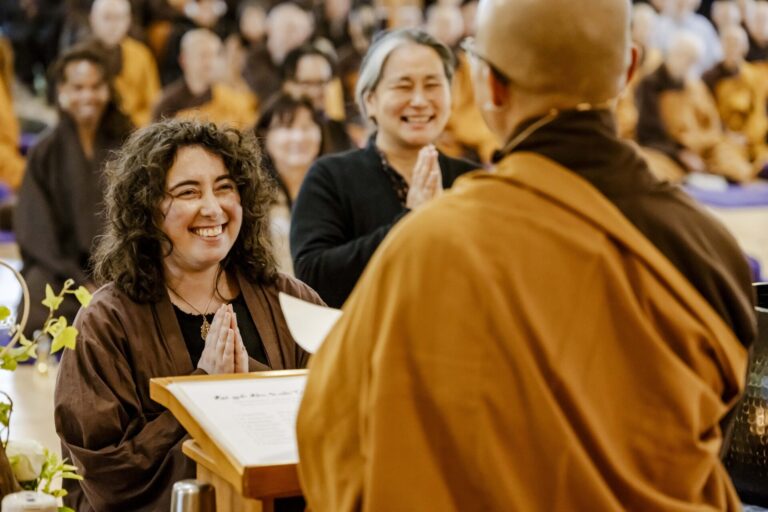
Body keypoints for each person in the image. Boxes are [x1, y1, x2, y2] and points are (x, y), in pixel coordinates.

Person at [296, 0, 755, 509]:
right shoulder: (713, 250)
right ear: (626, 68)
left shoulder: (433, 246)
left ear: (488, 86)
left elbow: (332, 441)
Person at [54, 119, 323, 511]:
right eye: (187, 192)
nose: (212, 208)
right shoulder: (105, 323)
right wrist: (202, 389)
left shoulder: (291, 300)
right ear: (147, 209)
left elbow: (335, 423)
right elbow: (104, 474)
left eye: (225, 188)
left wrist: (249, 386)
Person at [290, 28, 477, 308]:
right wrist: (409, 222)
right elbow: (313, 278)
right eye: (403, 85)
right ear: (370, 100)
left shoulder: (472, 181)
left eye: (432, 85)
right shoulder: (331, 176)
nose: (419, 100)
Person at [15, 42, 133, 335]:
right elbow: (36, 227)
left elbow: (140, 215)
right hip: (62, 271)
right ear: (62, 91)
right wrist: (80, 280)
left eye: (95, 86)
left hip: (119, 266)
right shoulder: (46, 150)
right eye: (78, 87)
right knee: (35, 307)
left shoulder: (128, 144)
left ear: (107, 89)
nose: (87, 96)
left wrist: (109, 273)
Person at [636, 31, 754, 181]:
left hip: (702, 146)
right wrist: (679, 154)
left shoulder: (695, 84)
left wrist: (721, 137)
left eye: (692, 60)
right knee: (653, 170)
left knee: (734, 162)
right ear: (671, 53)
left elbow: (712, 122)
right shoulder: (649, 84)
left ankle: (715, 174)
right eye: (683, 56)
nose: (686, 63)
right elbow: (649, 134)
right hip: (667, 149)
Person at [254, 93, 323, 275]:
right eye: (287, 127)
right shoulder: (252, 194)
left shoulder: (335, 189)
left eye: (306, 126)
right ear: (264, 134)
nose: (298, 137)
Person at [153, 28, 256, 128]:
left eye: (214, 55)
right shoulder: (166, 103)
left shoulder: (231, 97)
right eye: (203, 56)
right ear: (183, 60)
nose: (210, 63)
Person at [703, 24, 768, 175]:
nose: (732, 48)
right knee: (730, 165)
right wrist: (727, 134)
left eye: (737, 44)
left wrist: (748, 136)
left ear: (744, 48)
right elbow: (707, 115)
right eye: (728, 43)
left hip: (751, 138)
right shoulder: (708, 78)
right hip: (722, 139)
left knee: (762, 157)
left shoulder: (754, 75)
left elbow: (758, 111)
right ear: (721, 45)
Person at [89, 0, 161, 127]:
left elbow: (153, 102)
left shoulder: (141, 55)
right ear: (92, 20)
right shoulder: (81, 60)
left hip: (134, 129)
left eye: (119, 18)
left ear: (128, 21)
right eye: (107, 18)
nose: (113, 25)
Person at [282, 44, 354, 154]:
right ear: (287, 85)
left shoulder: (338, 131)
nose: (315, 92)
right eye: (306, 83)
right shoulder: (273, 132)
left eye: (322, 83)